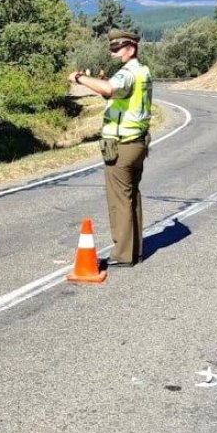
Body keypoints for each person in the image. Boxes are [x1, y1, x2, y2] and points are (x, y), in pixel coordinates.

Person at [68, 29, 152, 267]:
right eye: (111, 48)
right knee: (131, 196)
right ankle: (135, 251)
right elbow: (119, 97)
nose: (113, 52)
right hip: (138, 142)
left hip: (122, 145)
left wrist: (79, 78)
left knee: (119, 200)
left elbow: (109, 89)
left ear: (131, 49)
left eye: (117, 48)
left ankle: (122, 255)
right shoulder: (143, 71)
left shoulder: (127, 73)